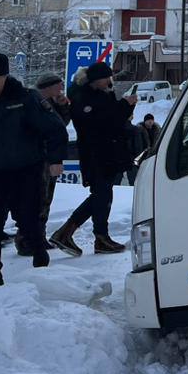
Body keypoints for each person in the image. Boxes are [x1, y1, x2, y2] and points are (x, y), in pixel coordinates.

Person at [0, 53, 66, 288]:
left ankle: (40, 261)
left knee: (28, 221)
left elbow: (55, 129)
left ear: (4, 77)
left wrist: (56, 159)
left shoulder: (26, 99)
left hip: (26, 171)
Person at [50, 62, 135, 256]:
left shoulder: (101, 94)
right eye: (106, 78)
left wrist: (126, 108)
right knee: (101, 194)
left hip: (108, 152)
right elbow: (102, 122)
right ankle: (83, 234)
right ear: (96, 79)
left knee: (102, 195)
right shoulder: (83, 98)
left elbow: (114, 120)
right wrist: (124, 105)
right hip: (97, 154)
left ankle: (85, 234)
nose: (109, 81)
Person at [14, 73, 72, 256]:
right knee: (36, 198)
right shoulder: (33, 102)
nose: (61, 90)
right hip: (36, 158)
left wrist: (63, 108)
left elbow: (60, 126)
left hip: (49, 158)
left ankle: (38, 236)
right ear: (49, 87)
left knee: (45, 199)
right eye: (58, 87)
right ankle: (26, 238)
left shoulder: (51, 104)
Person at [126, 113, 161, 185]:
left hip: (152, 157)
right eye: (148, 120)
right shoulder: (138, 130)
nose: (150, 122)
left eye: (151, 120)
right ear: (145, 121)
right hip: (140, 156)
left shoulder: (157, 130)